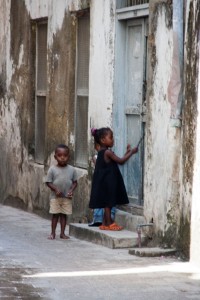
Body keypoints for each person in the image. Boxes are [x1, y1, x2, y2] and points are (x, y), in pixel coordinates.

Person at [89, 127, 138, 231]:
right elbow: (120, 161)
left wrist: (127, 152)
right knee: (108, 203)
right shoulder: (107, 153)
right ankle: (110, 223)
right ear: (103, 140)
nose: (113, 140)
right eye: (111, 138)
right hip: (108, 181)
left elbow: (118, 160)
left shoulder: (102, 152)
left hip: (104, 182)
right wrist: (132, 152)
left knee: (106, 202)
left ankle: (104, 223)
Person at [46, 144, 78, 240]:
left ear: (69, 156)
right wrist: (55, 189)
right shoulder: (52, 169)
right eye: (60, 155)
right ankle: (52, 233)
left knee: (64, 215)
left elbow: (75, 183)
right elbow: (48, 182)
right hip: (55, 197)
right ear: (55, 157)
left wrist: (71, 190)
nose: (62, 158)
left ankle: (62, 233)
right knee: (55, 215)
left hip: (66, 197)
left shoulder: (72, 170)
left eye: (65, 155)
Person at [89, 141, 116, 226]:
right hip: (100, 182)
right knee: (100, 201)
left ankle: (108, 218)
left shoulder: (109, 155)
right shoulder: (96, 157)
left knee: (109, 201)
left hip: (108, 182)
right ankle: (98, 218)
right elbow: (99, 165)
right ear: (96, 147)